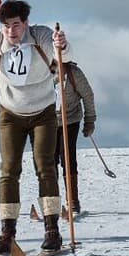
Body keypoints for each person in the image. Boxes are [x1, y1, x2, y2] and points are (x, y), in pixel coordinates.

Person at [0, 0, 70, 253]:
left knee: (45, 166)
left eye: (16, 25)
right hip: (10, 113)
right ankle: (7, 231)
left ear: (26, 23)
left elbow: (61, 55)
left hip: (43, 111)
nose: (11, 31)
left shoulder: (40, 34)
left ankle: (52, 228)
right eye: (7, 26)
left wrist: (61, 45)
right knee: (9, 170)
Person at [54, 60, 96, 214]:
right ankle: (52, 202)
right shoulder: (38, 68)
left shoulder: (73, 72)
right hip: (46, 121)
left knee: (68, 157)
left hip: (70, 119)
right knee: (49, 162)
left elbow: (87, 95)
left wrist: (89, 120)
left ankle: (72, 200)